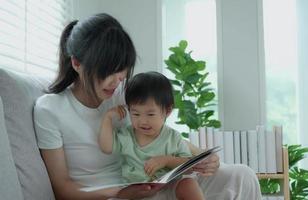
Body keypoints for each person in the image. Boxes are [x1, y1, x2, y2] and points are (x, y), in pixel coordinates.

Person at [34, 13, 262, 199]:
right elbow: (62, 189)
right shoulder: (50, 110)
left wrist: (201, 156)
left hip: (152, 182)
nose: (118, 79)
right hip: (110, 194)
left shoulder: (122, 93)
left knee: (241, 175)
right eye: (108, 71)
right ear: (77, 63)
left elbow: (160, 133)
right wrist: (122, 192)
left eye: (122, 69)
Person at [98, 72, 204, 200]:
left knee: (188, 184)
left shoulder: (172, 137)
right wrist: (107, 119)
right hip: (136, 193)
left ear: (167, 111)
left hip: (168, 188)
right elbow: (106, 147)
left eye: (150, 114)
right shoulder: (127, 135)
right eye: (136, 114)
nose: (143, 121)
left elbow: (188, 166)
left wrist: (166, 160)